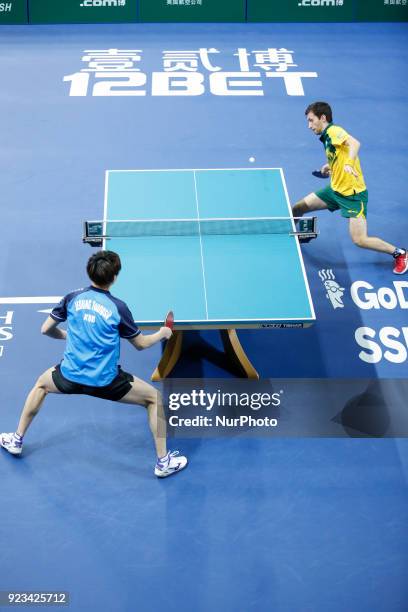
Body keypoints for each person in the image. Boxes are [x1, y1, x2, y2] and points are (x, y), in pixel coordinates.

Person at [0, 251, 187, 478]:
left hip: (68, 377)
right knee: (154, 399)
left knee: (41, 385)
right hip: (106, 382)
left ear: (89, 272)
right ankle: (163, 462)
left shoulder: (72, 297)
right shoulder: (118, 308)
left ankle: (17, 439)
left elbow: (45, 329)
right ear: (115, 277)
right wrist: (162, 333)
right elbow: (140, 344)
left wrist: (67, 335)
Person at [292, 101, 407, 274]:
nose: (309, 126)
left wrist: (350, 163)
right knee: (297, 208)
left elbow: (354, 143)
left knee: (360, 240)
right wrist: (329, 165)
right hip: (334, 190)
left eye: (311, 120)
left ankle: (400, 254)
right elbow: (339, 152)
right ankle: (297, 235)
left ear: (322, 118)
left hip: (353, 196)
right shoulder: (327, 136)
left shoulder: (334, 131)